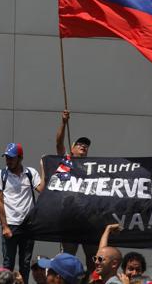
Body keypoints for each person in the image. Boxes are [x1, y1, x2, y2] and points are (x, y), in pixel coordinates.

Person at [0, 143, 44, 284]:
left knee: (25, 264)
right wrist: (4, 226)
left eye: (11, 158)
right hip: (10, 225)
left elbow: (42, 189)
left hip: (28, 225)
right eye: (7, 157)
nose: (8, 160)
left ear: (20, 158)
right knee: (8, 263)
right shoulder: (0, 175)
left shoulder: (30, 173)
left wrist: (43, 168)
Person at [56, 110, 96, 272]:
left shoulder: (93, 168)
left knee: (92, 256)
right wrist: (64, 123)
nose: (84, 147)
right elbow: (59, 143)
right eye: (80, 144)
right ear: (72, 148)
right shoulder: (65, 162)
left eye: (86, 146)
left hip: (88, 218)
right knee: (68, 256)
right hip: (69, 217)